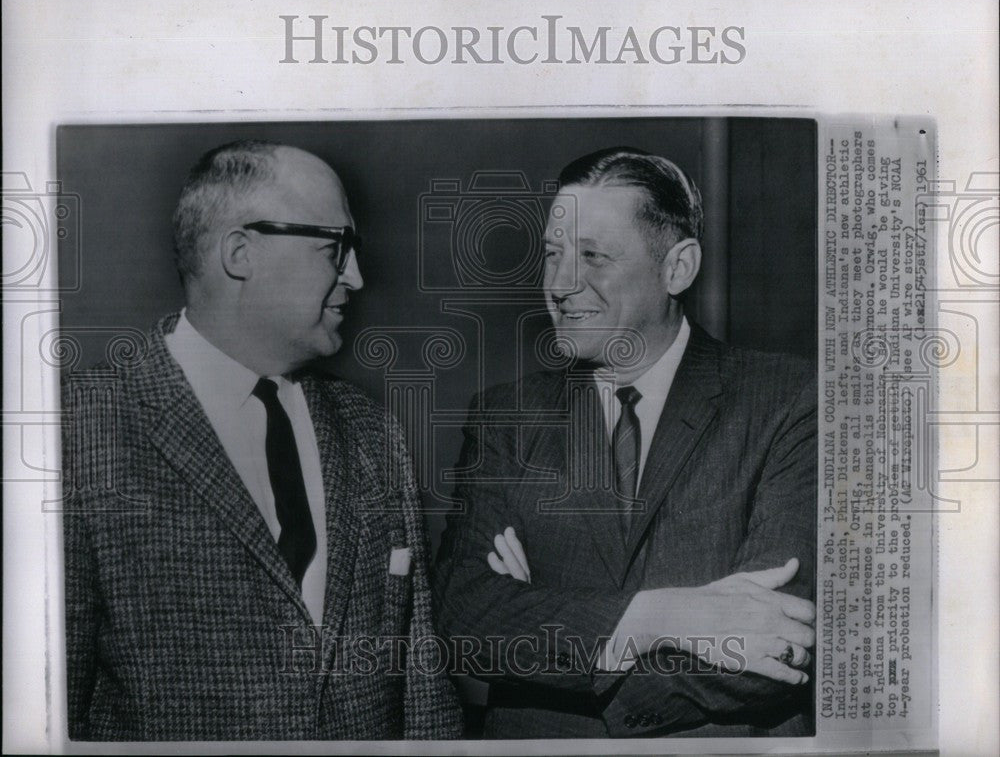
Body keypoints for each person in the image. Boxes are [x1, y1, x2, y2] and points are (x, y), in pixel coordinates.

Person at [62, 141, 462, 740]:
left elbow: (423, 692)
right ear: (240, 253)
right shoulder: (77, 427)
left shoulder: (372, 432)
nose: (356, 276)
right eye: (335, 248)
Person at [433, 146, 817, 738]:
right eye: (553, 255)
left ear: (678, 268)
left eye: (593, 257)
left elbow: (776, 650)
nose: (560, 285)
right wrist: (659, 617)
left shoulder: (789, 400)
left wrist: (549, 618)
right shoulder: (506, 417)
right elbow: (466, 622)